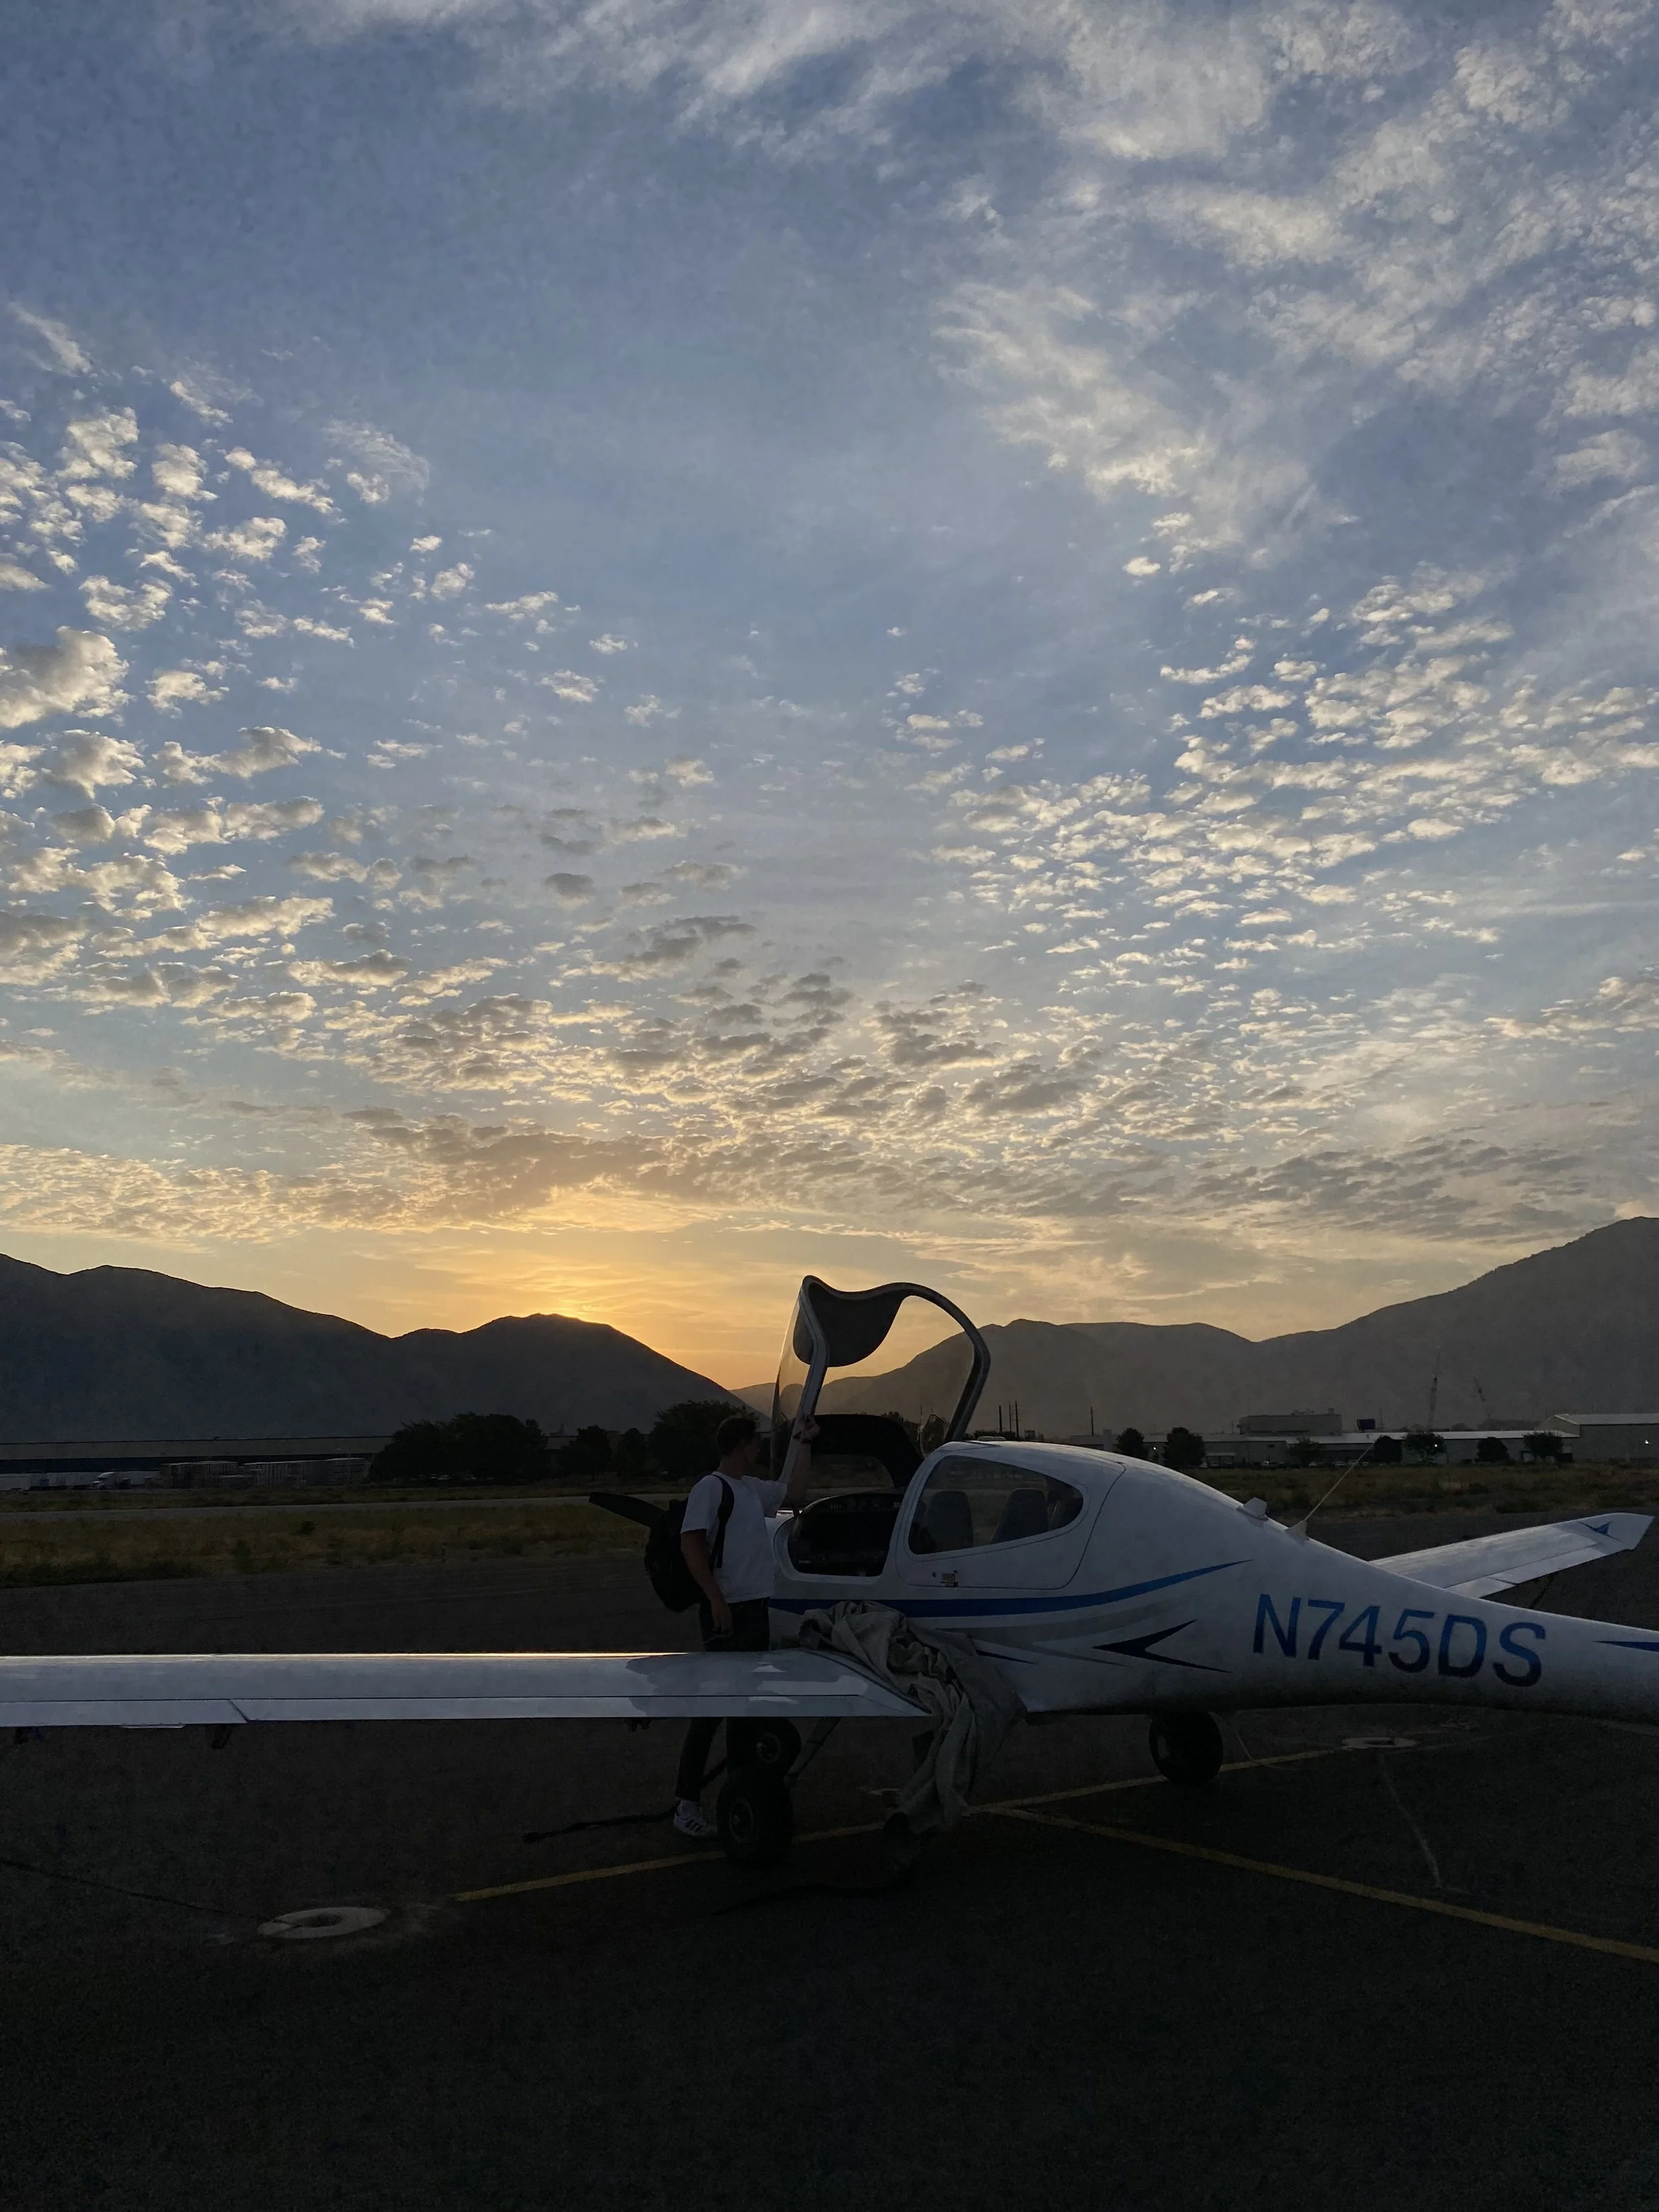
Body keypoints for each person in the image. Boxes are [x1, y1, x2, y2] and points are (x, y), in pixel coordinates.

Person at [672, 1408, 816, 1838]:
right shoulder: (712, 1488)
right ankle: (686, 1802)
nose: (760, 1447)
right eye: (755, 1441)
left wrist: (805, 1441)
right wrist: (716, 1598)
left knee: (745, 1709)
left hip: (755, 1609)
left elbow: (796, 1492)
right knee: (713, 1708)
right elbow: (691, 1544)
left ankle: (739, 1791)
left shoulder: (750, 1488)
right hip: (728, 1611)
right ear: (739, 1445)